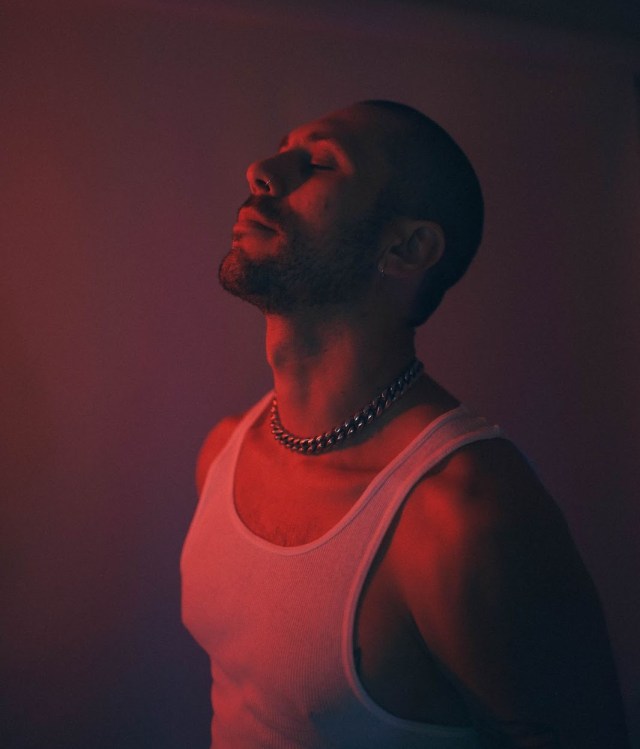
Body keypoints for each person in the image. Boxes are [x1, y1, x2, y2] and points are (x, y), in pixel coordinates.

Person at [181, 100, 629, 748]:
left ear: (407, 248)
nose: (262, 171)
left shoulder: (463, 518)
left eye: (320, 163)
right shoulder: (223, 453)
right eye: (282, 149)